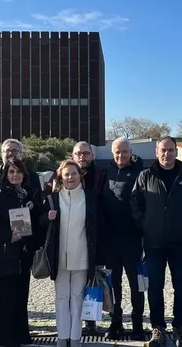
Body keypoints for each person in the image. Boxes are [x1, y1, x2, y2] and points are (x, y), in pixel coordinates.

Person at [131, 136, 182, 347]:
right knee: (155, 288)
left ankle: (180, 328)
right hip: (153, 243)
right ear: (156, 152)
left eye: (171, 150)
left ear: (175, 152)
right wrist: (144, 225)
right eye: (163, 150)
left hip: (181, 243)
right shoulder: (145, 176)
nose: (167, 154)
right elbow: (135, 202)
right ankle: (158, 328)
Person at [44, 141, 107, 336]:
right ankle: (63, 337)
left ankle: (76, 336)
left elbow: (97, 229)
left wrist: (99, 259)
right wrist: (45, 217)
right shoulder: (53, 199)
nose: (70, 177)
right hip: (60, 258)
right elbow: (40, 223)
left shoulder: (90, 199)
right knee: (61, 299)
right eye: (67, 174)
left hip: (82, 258)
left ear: (80, 176)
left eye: (74, 174)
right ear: (60, 177)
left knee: (78, 298)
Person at [0, 158, 43, 347]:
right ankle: (6, 340)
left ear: (24, 174)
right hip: (5, 253)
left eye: (18, 172)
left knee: (21, 297)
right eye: (11, 172)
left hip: (23, 255)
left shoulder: (28, 195)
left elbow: (36, 223)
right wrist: (9, 235)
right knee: (6, 300)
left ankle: (22, 336)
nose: (15, 175)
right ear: (6, 175)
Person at [101, 137, 146, 341]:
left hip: (133, 240)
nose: (121, 156)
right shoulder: (105, 171)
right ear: (113, 153)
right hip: (111, 240)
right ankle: (115, 321)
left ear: (131, 152)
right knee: (114, 284)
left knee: (137, 284)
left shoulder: (140, 172)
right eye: (117, 152)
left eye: (124, 152)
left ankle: (137, 324)